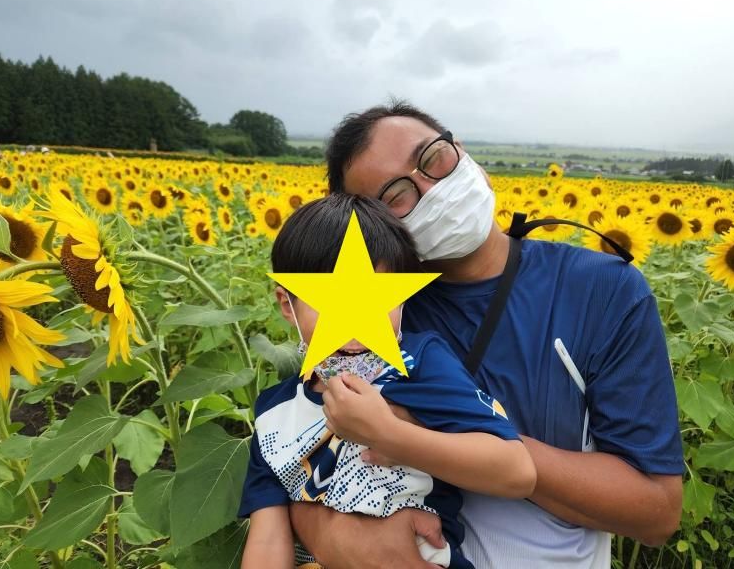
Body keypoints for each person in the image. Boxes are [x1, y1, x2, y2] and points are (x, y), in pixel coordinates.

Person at [288, 102, 684, 569]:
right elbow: (293, 453)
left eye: (433, 158)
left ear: (461, 150)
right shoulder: (372, 316)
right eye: (394, 197)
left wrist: (430, 436)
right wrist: (333, 536)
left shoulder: (601, 289)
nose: (431, 188)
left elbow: (655, 510)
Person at [239, 193, 537, 569]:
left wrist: (389, 435)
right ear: (287, 305)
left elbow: (515, 471)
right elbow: (268, 538)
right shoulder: (273, 414)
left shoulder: (420, 364)